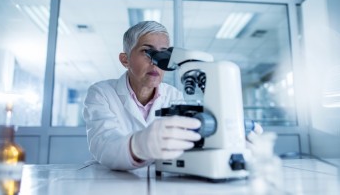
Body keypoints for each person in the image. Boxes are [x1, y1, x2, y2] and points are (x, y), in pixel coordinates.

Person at [83, 21, 262, 170]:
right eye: (148, 52)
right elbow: (103, 144)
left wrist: (230, 136)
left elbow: (189, 139)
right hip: (113, 182)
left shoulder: (173, 95)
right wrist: (137, 145)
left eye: (163, 54)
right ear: (125, 59)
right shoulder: (101, 93)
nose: (157, 62)